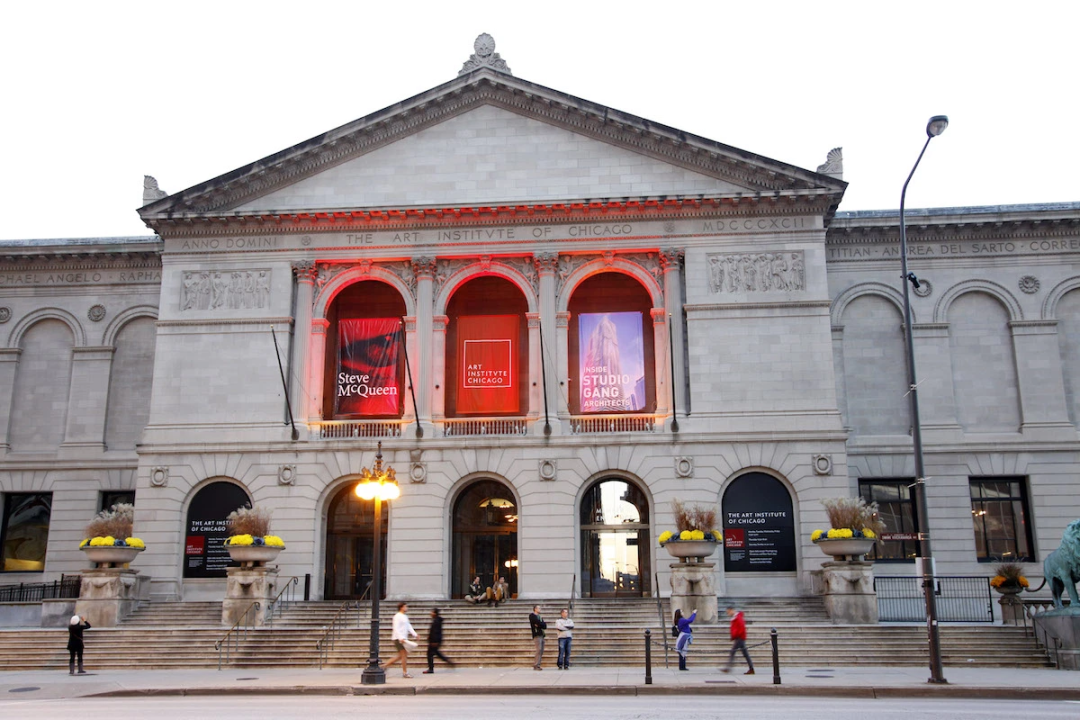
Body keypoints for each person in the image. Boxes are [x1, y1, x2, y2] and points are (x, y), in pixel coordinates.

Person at [382, 602, 418, 678]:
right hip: (398, 639)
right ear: (401, 607)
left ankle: (384, 666)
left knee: (401, 656)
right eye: (405, 607)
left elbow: (409, 626)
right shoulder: (397, 616)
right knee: (404, 655)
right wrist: (400, 637)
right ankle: (405, 672)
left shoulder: (405, 616)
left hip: (403, 638)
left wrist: (415, 634)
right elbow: (396, 628)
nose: (406, 608)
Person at [722, 605, 755, 675]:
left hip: (739, 638)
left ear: (731, 610)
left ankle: (728, 668)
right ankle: (751, 668)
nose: (728, 614)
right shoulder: (735, 618)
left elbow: (741, 627)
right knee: (745, 654)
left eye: (728, 612)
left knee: (733, 652)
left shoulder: (737, 617)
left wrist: (736, 635)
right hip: (739, 637)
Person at [423, 608, 454, 674]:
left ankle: (431, 669)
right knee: (436, 653)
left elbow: (436, 632)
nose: (430, 613)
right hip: (435, 640)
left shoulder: (436, 621)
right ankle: (447, 660)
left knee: (430, 654)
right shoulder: (436, 620)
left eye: (432, 612)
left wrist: (434, 641)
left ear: (435, 613)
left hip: (434, 641)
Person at [674, 607, 696, 671]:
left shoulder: (681, 620)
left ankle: (682, 666)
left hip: (684, 635)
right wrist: (694, 613)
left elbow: (688, 621)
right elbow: (690, 620)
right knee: (683, 651)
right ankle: (682, 666)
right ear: (679, 614)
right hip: (684, 636)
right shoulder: (681, 620)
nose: (683, 612)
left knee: (683, 651)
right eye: (682, 612)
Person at [529, 605, 547, 670]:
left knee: (541, 650)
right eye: (539, 608)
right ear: (535, 609)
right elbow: (536, 622)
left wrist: (540, 624)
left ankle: (538, 664)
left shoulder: (540, 617)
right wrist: (540, 624)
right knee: (538, 649)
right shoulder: (532, 616)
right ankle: (536, 665)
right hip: (536, 634)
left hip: (542, 634)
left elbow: (544, 626)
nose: (540, 609)